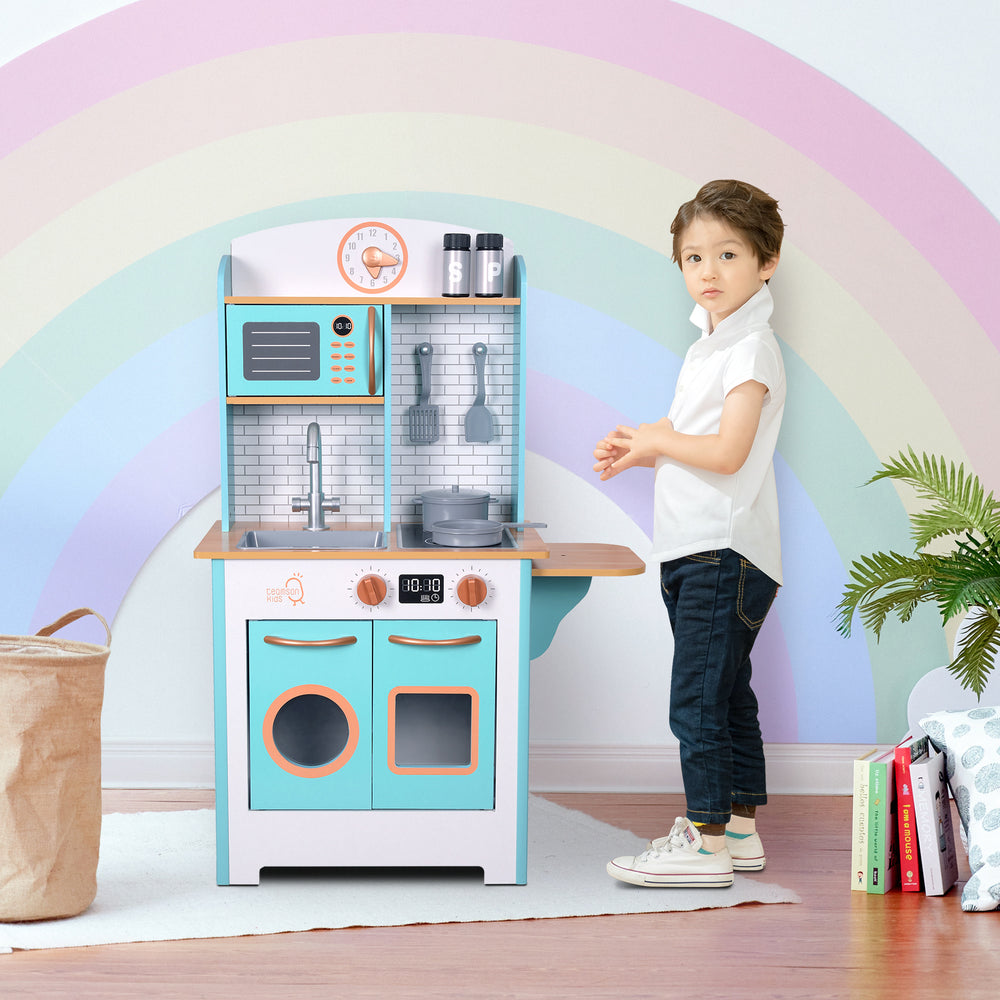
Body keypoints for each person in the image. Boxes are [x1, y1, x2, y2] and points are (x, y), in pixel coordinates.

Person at [593, 179, 786, 888]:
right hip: (704, 547)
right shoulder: (711, 348)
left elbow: (728, 453)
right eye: (693, 257)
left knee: (697, 697)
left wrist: (662, 445)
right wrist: (649, 441)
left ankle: (703, 845)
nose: (708, 271)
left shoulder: (749, 350)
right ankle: (737, 830)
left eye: (728, 254)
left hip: (719, 549)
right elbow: (699, 437)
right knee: (727, 691)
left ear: (767, 263)